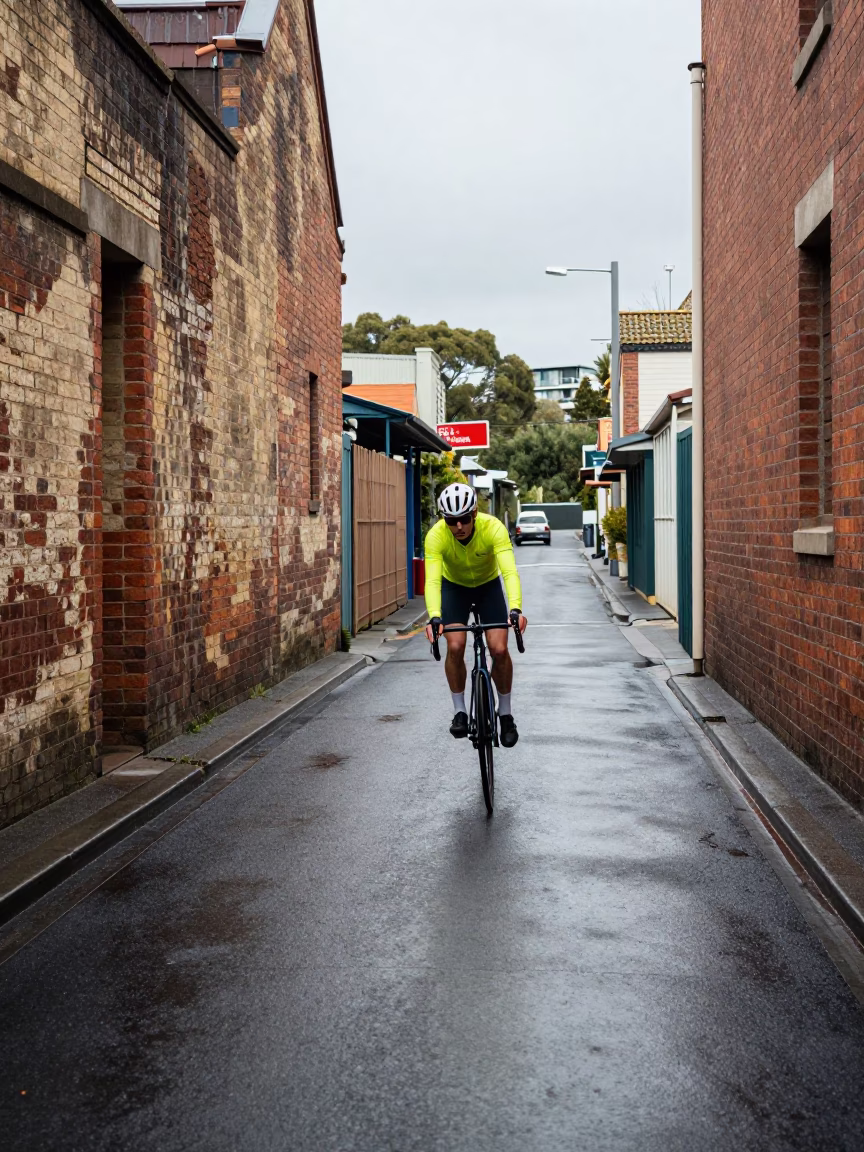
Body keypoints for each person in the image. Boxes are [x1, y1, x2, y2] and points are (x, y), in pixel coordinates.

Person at [424, 483, 527, 747]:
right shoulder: (436, 536)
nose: (458, 526)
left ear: (474, 514)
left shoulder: (493, 528)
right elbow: (432, 581)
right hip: (453, 587)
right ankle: (460, 711)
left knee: (499, 649)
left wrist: (515, 609)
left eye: (464, 519)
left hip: (487, 587)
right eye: (451, 521)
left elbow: (509, 572)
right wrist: (434, 616)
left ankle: (505, 714)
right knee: (455, 645)